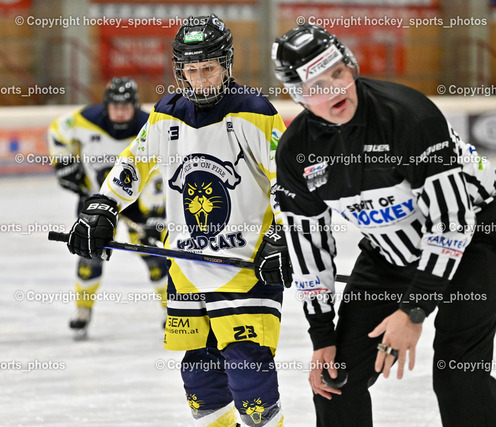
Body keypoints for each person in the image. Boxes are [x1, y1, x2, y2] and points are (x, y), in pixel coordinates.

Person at [65, 14, 292, 426]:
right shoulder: (166, 112)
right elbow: (134, 163)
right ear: (179, 70)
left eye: (209, 69)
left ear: (226, 65)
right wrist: (103, 206)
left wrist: (282, 235)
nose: (200, 79)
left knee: (250, 377)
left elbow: (286, 180)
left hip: (245, 265)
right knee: (200, 383)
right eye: (192, 70)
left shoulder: (255, 112)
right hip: (187, 265)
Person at [272, 23, 496, 426]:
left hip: (475, 239)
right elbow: (308, 246)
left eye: (338, 73)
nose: (335, 90)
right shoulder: (296, 152)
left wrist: (414, 309)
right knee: (336, 378)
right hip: (391, 251)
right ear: (297, 94)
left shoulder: (407, 115)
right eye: (316, 85)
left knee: (458, 375)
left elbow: (452, 221)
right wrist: (322, 336)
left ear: (350, 66)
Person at [48, 77, 168, 338]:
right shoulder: (84, 120)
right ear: (106, 106)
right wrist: (64, 164)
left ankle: (171, 309)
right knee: (90, 253)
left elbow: (160, 172)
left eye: (126, 107)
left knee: (153, 254)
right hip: (96, 201)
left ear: (135, 106)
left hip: (139, 203)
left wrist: (155, 212)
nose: (120, 112)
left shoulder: (150, 125)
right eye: (115, 106)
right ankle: (83, 310)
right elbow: (57, 131)